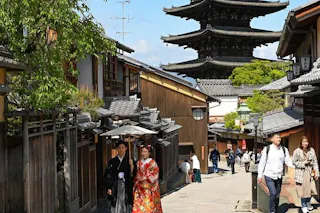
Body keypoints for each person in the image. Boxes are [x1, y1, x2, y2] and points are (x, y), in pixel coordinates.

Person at [258, 133, 294, 213]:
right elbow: (262, 162)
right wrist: (259, 175)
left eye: (280, 137)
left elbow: (288, 161)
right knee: (273, 193)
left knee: (277, 195)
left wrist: (296, 166)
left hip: (279, 176)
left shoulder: (284, 149)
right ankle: (272, 211)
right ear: (272, 139)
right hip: (269, 175)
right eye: (277, 137)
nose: (279, 139)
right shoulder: (267, 149)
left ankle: (276, 209)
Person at [104, 140, 135, 213]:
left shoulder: (130, 161)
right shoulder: (112, 161)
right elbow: (108, 175)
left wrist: (132, 166)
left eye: (122, 147)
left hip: (127, 185)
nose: (121, 149)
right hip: (115, 186)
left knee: (126, 202)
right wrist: (109, 187)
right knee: (116, 203)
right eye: (119, 148)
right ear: (117, 149)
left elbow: (133, 174)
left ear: (126, 148)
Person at [292, 136, 319, 213]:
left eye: (306, 141)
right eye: (304, 142)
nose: (305, 143)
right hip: (301, 173)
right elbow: (294, 162)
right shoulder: (297, 151)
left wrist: (316, 172)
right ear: (301, 142)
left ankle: (308, 202)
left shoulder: (311, 150)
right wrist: (303, 163)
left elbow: (315, 162)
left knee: (311, 189)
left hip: (310, 172)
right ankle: (303, 204)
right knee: (302, 190)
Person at [132, 145, 163, 213]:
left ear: (149, 153)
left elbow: (155, 173)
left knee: (149, 205)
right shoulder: (138, 162)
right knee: (139, 205)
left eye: (145, 151)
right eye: (142, 151)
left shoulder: (153, 163)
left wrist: (145, 177)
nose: (143, 153)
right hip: (140, 187)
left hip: (149, 187)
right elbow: (136, 172)